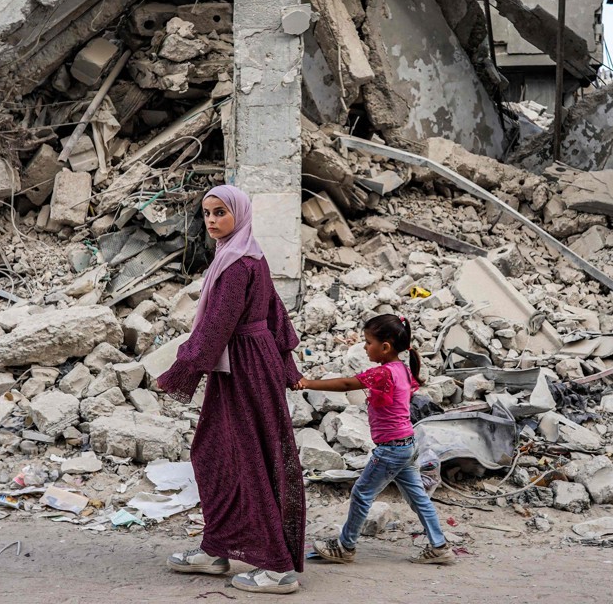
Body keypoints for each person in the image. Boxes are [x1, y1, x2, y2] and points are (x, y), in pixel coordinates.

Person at [158, 185, 306, 595]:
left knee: (243, 459)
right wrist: (285, 365)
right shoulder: (246, 254)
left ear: (237, 214)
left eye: (220, 212)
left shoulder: (238, 263)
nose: (211, 221)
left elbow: (217, 327)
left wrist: (181, 369)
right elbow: (277, 315)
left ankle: (277, 568)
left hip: (242, 365)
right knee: (220, 453)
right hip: (248, 363)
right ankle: (217, 548)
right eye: (206, 213)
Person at [296, 314, 455, 566]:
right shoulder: (401, 368)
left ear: (385, 347)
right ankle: (439, 545)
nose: (364, 347)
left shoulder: (383, 373)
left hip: (392, 449)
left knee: (361, 493)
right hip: (407, 445)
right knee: (417, 498)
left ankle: (345, 546)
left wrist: (307, 383)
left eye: (368, 342)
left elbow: (348, 383)